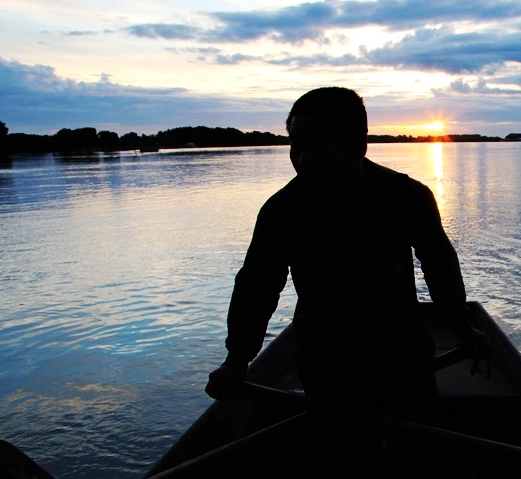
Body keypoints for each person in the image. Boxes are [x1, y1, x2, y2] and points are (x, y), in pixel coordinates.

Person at [205, 87, 489, 418]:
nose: (303, 159)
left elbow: (440, 264)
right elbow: (258, 285)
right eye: (296, 146)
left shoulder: (405, 196)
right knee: (341, 458)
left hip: (402, 354)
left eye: (318, 146)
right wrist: (237, 359)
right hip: (327, 359)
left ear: (358, 146)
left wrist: (461, 327)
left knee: (416, 453)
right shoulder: (282, 210)